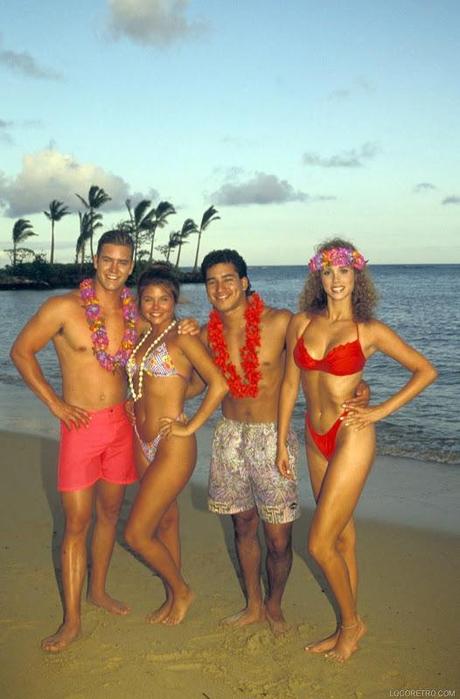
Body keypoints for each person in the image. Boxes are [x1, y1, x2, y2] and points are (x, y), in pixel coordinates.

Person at [9, 230, 197, 652]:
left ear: (131, 265)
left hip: (121, 425)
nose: (115, 268)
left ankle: (98, 590)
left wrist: (189, 324)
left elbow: (171, 339)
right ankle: (72, 621)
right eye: (108, 259)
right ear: (96, 260)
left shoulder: (136, 310)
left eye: (124, 261)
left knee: (111, 513)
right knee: (77, 523)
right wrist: (55, 404)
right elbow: (21, 351)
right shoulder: (62, 307)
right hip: (79, 426)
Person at [276, 238, 437, 661]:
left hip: (351, 434)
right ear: (318, 276)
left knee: (318, 543)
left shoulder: (369, 331)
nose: (335, 280)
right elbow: (290, 385)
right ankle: (345, 622)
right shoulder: (301, 323)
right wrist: (280, 440)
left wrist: (380, 409)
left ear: (356, 276)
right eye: (327, 272)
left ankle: (351, 626)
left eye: (344, 271)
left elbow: (426, 370)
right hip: (313, 434)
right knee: (342, 539)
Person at [198, 249, 370, 635]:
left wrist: (361, 389)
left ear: (244, 282)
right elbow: (198, 381)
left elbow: (314, 370)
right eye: (211, 281)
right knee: (242, 527)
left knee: (278, 538)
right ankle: (254, 605)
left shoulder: (281, 323)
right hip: (228, 436)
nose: (220, 288)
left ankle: (274, 605)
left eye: (228, 279)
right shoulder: (205, 333)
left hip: (271, 436)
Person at [124, 265, 228, 625]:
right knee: (166, 520)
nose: (155, 306)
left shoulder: (183, 338)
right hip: (141, 438)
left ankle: (182, 590)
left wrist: (191, 424)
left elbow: (217, 383)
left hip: (172, 444)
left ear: (175, 300)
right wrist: (135, 400)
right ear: (139, 302)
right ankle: (173, 598)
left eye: (163, 299)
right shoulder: (141, 337)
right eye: (148, 299)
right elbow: (187, 384)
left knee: (136, 533)